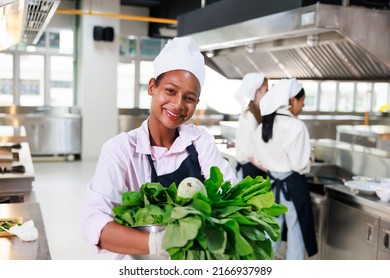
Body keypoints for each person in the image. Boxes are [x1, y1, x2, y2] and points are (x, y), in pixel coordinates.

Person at [81, 37, 238, 260]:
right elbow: (95, 223)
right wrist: (158, 243)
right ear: (152, 87)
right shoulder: (120, 150)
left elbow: (227, 193)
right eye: (171, 91)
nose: (179, 105)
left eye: (189, 98)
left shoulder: (200, 141)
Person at [252, 78, 318, 260]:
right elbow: (299, 164)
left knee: (271, 233)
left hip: (271, 186)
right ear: (292, 100)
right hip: (293, 185)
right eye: (302, 102)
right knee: (296, 233)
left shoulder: (263, 126)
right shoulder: (296, 126)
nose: (302, 106)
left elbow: (258, 159)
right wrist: (308, 160)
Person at [234, 72, 269, 180]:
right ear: (256, 92)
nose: (268, 94)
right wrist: (270, 169)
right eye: (266, 90)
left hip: (256, 168)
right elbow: (248, 153)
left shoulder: (257, 113)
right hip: (252, 170)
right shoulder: (249, 117)